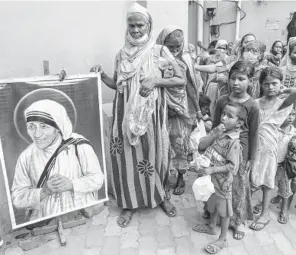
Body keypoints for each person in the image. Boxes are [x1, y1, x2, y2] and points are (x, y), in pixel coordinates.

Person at [90, 3, 186, 227]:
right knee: (127, 157)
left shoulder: (159, 51)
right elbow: (118, 84)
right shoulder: (121, 54)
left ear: (149, 25)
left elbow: (180, 79)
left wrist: (156, 80)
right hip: (124, 114)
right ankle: (129, 204)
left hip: (151, 114)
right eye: (131, 25)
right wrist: (103, 76)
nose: (135, 30)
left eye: (140, 25)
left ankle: (159, 197)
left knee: (156, 154)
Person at [12, 97, 104, 221]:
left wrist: (72, 184)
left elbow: (98, 179)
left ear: (58, 127)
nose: (37, 134)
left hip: (81, 213)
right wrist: (43, 192)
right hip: (46, 219)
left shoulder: (79, 146)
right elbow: (17, 198)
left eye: (44, 126)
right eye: (31, 127)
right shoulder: (26, 157)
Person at [212, 60, 259, 240]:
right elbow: (216, 126)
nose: (236, 83)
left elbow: (254, 133)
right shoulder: (222, 100)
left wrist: (251, 159)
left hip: (240, 152)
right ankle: (217, 215)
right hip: (221, 148)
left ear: (250, 81)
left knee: (238, 185)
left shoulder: (252, 105)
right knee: (219, 183)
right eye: (233, 78)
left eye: (241, 79)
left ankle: (238, 221)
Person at [250, 66, 296, 231]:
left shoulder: (282, 103)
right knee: (250, 177)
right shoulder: (255, 103)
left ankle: (264, 214)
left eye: (274, 83)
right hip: (254, 146)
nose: (270, 87)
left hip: (270, 147)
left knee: (267, 181)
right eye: (266, 84)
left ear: (280, 84)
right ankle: (245, 207)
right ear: (261, 85)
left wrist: (284, 89)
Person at [192, 102, 244, 254]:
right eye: (223, 114)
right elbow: (201, 146)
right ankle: (211, 226)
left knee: (224, 211)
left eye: (230, 116)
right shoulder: (219, 133)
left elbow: (232, 167)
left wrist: (211, 169)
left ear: (239, 123)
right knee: (213, 204)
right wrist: (213, 133)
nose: (224, 118)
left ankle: (222, 238)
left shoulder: (233, 141)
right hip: (212, 180)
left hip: (223, 183)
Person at [156, 26, 202, 196]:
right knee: (163, 145)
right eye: (171, 47)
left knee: (180, 145)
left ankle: (181, 178)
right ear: (162, 44)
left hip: (181, 111)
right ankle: (165, 178)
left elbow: (190, 87)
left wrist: (197, 110)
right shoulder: (156, 60)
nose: (175, 50)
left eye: (178, 46)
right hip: (162, 110)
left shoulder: (185, 60)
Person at [275, 108, 296, 224]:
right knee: (266, 185)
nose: (291, 117)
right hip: (271, 163)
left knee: (285, 188)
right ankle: (263, 204)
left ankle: (284, 210)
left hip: (283, 165)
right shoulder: (274, 129)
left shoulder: (294, 133)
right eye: (288, 114)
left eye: (293, 114)